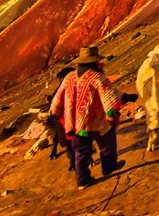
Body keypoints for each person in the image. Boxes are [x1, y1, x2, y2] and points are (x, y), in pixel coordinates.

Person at [49, 45, 124, 188]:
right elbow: (109, 97)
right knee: (107, 143)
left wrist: (54, 114)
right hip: (96, 120)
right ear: (95, 62)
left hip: (76, 123)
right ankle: (109, 168)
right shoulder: (97, 77)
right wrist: (111, 112)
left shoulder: (69, 77)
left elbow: (58, 99)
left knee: (81, 151)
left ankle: (82, 180)